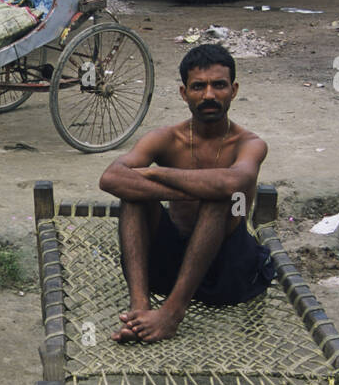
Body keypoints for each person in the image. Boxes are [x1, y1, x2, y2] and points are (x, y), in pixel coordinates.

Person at [99, 42, 275, 344]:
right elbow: (111, 177)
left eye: (219, 85)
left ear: (233, 90)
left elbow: (233, 184)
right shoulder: (167, 138)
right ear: (184, 93)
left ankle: (171, 314)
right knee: (134, 197)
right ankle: (140, 309)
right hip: (170, 266)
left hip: (228, 268)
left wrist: (155, 172)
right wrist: (184, 192)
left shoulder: (249, 143)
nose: (209, 95)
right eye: (199, 87)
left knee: (221, 199)